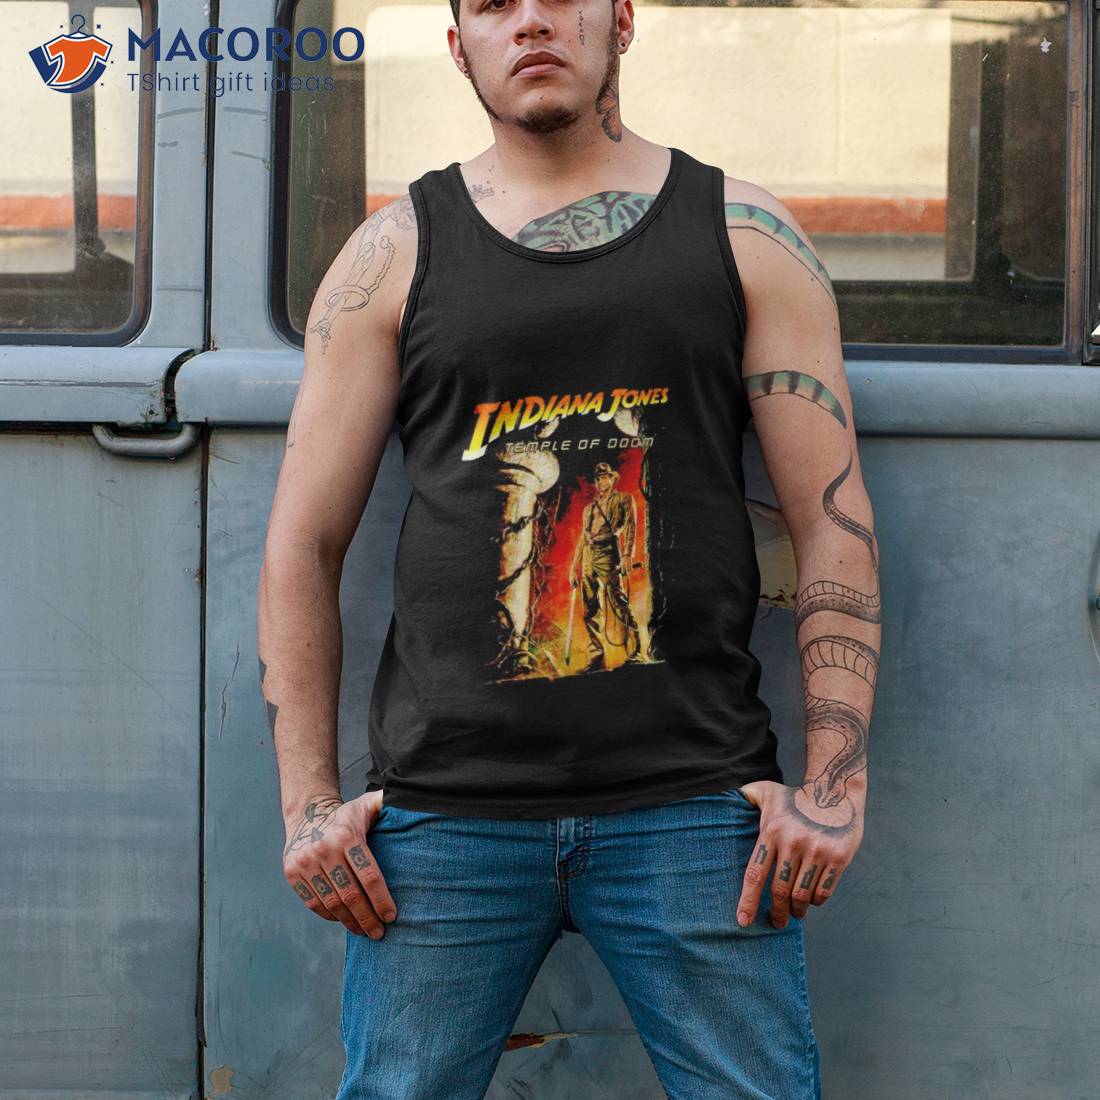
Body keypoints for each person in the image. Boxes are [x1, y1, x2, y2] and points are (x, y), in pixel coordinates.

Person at [256, 0, 880, 1094]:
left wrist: (834, 786)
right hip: (445, 813)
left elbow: (831, 516)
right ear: (459, 45)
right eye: (492, 5)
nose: (530, 21)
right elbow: (302, 543)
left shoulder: (744, 234)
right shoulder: (393, 253)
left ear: (620, 20)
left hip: (693, 801)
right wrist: (307, 805)